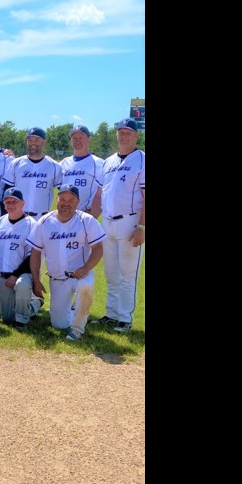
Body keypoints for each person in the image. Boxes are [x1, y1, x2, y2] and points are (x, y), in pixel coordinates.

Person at [28, 186, 105, 341]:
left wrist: (86, 268)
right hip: (57, 279)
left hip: (80, 274)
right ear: (57, 199)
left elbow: (98, 249)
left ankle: (77, 328)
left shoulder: (87, 220)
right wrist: (36, 280)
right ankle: (75, 311)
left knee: (85, 286)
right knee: (59, 324)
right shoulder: (44, 222)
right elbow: (35, 252)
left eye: (71, 200)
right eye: (62, 199)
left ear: (78, 202)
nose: (66, 203)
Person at [93, 118, 145, 334]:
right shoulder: (108, 161)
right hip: (108, 222)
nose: (124, 136)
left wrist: (142, 226)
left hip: (130, 222)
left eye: (128, 133)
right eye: (121, 132)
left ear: (136, 136)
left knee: (127, 273)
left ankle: (125, 318)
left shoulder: (141, 159)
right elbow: (99, 194)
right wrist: (89, 222)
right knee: (111, 272)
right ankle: (111, 314)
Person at [0, 188, 40, 328]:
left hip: (24, 273)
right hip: (3, 274)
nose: (11, 205)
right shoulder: (0, 221)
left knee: (22, 285)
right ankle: (34, 304)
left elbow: (32, 256)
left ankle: (22, 320)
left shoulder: (31, 224)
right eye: (7, 202)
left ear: (22, 203)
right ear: (4, 204)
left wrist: (15, 275)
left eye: (14, 202)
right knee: (7, 318)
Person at [2, 127, 62, 219]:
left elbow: (63, 192)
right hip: (19, 216)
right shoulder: (16, 163)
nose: (33, 143)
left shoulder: (54, 166)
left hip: (42, 217)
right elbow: (7, 191)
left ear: (43, 141)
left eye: (37, 140)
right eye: (30, 140)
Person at [59, 125, 103, 218]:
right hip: (64, 214)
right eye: (74, 138)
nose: (77, 140)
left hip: (85, 214)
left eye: (80, 137)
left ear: (88, 139)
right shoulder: (64, 163)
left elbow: (101, 195)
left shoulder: (99, 163)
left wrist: (91, 218)